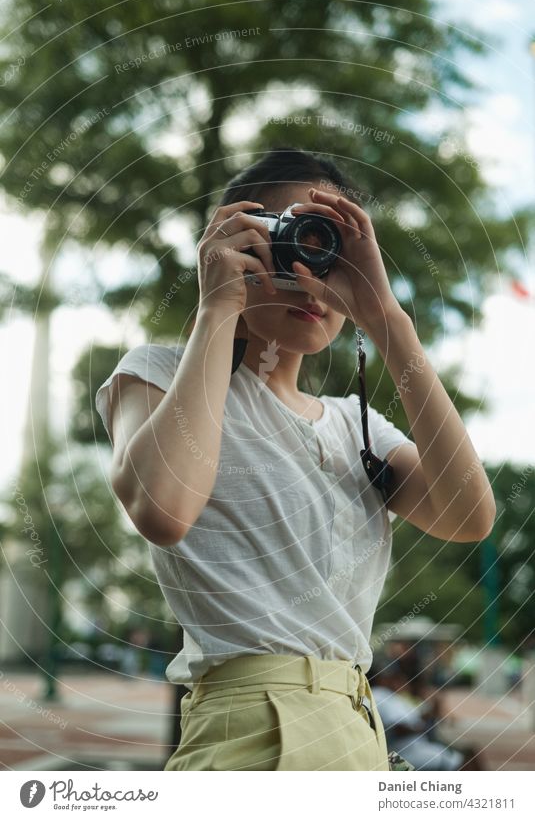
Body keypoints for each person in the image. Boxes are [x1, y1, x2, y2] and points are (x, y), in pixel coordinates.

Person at [95, 147, 496, 771]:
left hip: (359, 731)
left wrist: (385, 316)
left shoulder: (356, 427)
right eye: (289, 238)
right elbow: (162, 509)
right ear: (235, 238)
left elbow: (469, 515)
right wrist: (216, 308)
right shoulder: (158, 375)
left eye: (331, 246)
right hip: (250, 733)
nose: (311, 270)